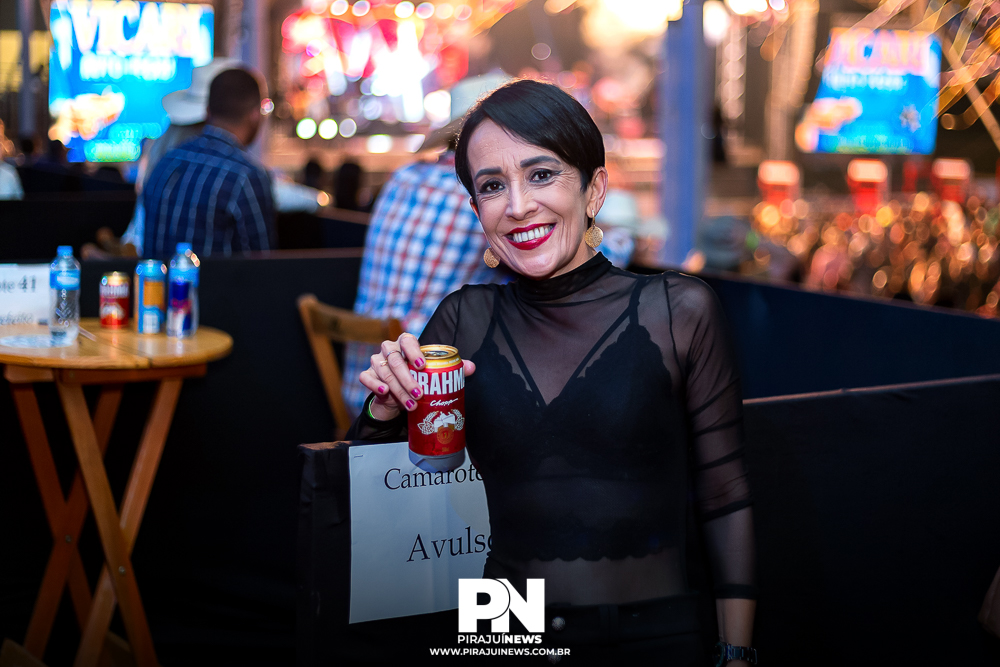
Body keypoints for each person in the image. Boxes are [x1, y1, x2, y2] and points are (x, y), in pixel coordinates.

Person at [347, 80, 757, 664]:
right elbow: (386, 498)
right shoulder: (464, 318)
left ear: (595, 190)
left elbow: (726, 494)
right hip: (503, 632)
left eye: (541, 175)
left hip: (653, 633)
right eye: (492, 186)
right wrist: (384, 409)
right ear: (477, 211)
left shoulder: (677, 311)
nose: (517, 206)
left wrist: (737, 652)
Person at [340, 73, 510, 419]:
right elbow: (575, 264)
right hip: (423, 397)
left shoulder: (403, 177)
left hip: (362, 387)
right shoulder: (482, 196)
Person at [142, 67, 275, 257]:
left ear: (207, 111)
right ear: (255, 114)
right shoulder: (246, 176)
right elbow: (262, 264)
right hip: (214, 279)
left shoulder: (165, 162)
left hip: (160, 278)